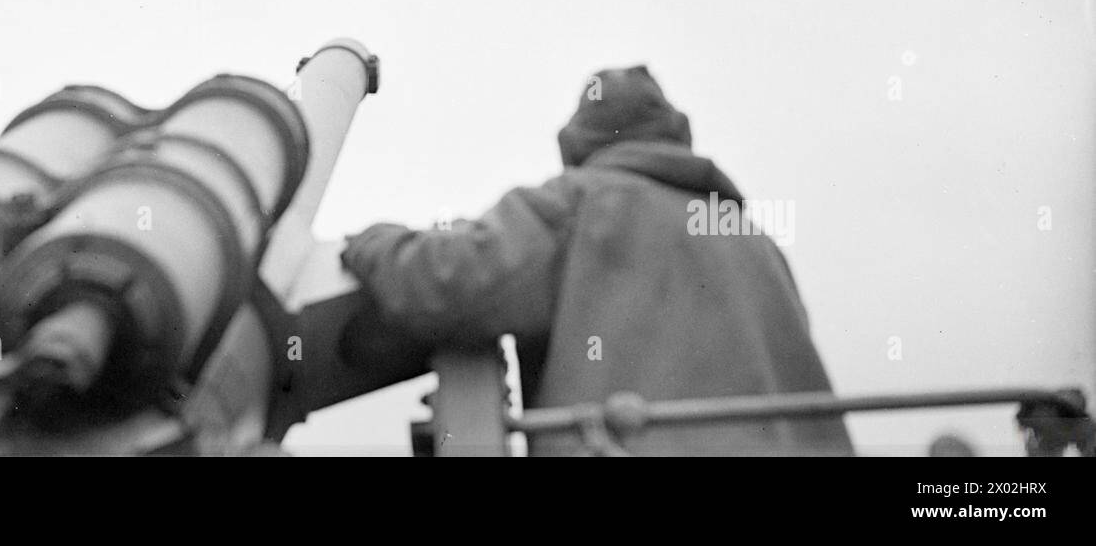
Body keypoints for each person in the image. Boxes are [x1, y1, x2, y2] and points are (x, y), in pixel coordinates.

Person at [340, 65, 854, 455]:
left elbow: (447, 282)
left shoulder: (579, 203)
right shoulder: (753, 241)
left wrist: (370, 241)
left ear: (576, 144)